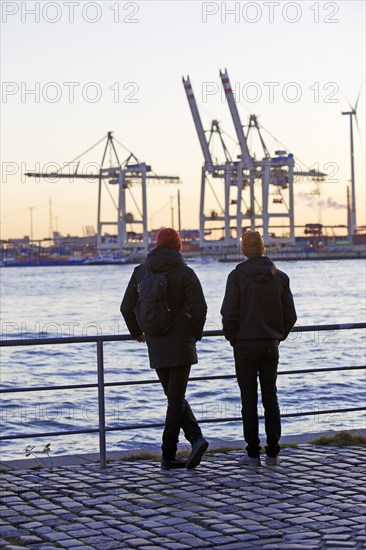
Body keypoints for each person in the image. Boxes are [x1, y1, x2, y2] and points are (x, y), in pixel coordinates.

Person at [120, 228, 208, 470]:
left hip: (155, 341)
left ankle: (192, 441)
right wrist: (195, 334)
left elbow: (126, 307)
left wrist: (138, 333)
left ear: (157, 245)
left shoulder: (140, 272)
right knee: (175, 398)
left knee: (173, 397)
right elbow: (200, 308)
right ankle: (171, 454)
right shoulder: (186, 273)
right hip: (181, 342)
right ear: (179, 246)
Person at [221, 231, 297, 466]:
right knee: (270, 398)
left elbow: (228, 314)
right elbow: (290, 315)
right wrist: (277, 336)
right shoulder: (280, 277)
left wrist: (234, 338)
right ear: (263, 248)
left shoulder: (236, 277)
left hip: (244, 345)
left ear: (244, 250)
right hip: (270, 345)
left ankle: (252, 453)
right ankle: (273, 453)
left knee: (249, 401)